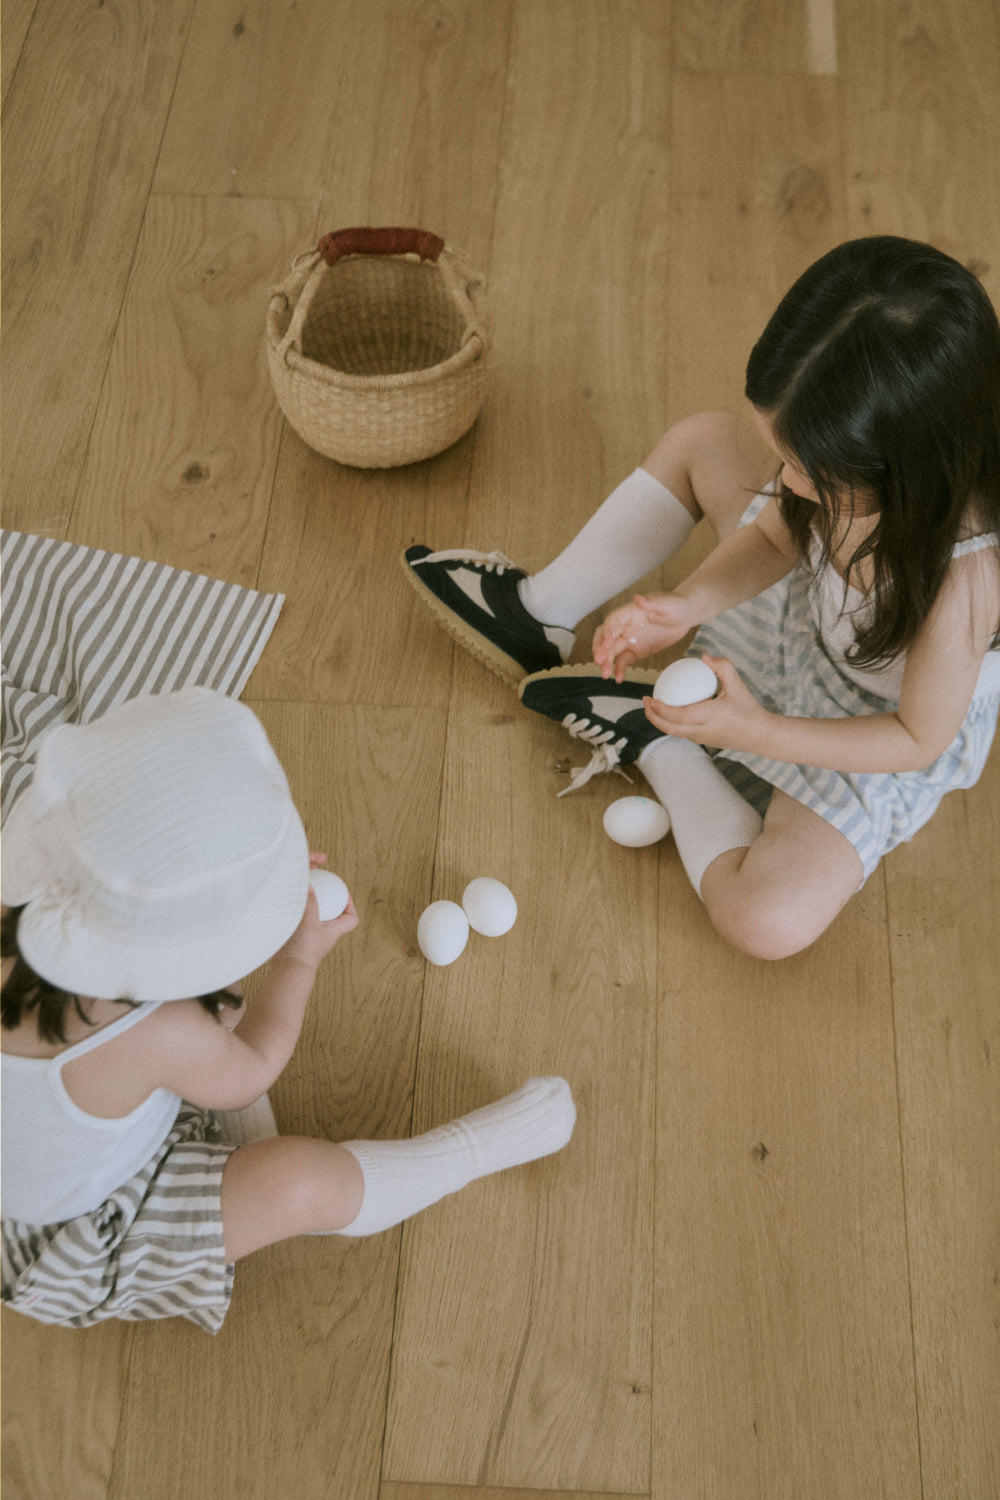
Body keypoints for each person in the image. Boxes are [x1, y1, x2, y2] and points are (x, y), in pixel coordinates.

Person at [402, 237, 1000, 960]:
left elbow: (914, 740)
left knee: (765, 921)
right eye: (780, 452)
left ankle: (660, 742)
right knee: (704, 442)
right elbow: (782, 539)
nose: (785, 478)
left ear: (908, 468)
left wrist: (751, 733)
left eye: (807, 470)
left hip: (870, 729)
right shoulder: (842, 468)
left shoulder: (964, 582)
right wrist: (686, 605)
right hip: (804, 613)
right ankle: (538, 610)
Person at [0, 688, 575, 1332]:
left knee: (212, 1021)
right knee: (297, 1182)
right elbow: (251, 1069)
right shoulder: (161, 1031)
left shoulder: (26, 893)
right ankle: (467, 1153)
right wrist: (298, 959)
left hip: (30, 1149)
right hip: (65, 1226)